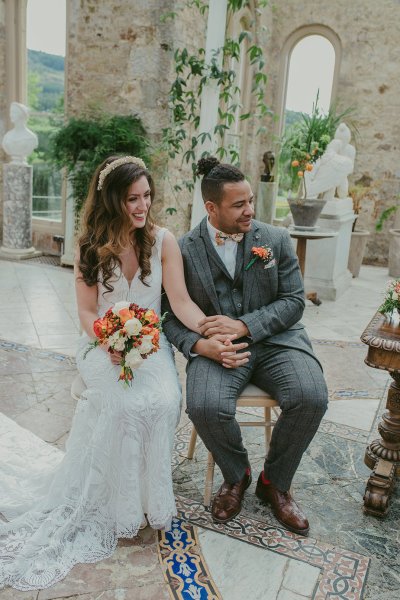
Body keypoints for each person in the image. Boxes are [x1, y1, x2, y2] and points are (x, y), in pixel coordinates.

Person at [0, 155, 248, 591]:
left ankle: (146, 503)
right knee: (120, 403)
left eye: (147, 196)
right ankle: (112, 504)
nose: (142, 206)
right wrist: (111, 340)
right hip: (101, 344)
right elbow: (85, 311)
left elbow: (181, 302)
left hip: (150, 347)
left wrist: (209, 331)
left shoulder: (163, 241)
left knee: (164, 400)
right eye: (133, 198)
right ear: (112, 200)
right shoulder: (88, 246)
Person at [162, 156, 329, 536]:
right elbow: (169, 315)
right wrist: (197, 346)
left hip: (277, 343)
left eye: (250, 200)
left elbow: (294, 301)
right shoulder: (182, 249)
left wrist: (244, 325)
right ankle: (237, 475)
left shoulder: (275, 239)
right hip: (216, 351)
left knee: (311, 396)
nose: (250, 210)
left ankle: (276, 483)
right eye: (239, 204)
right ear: (211, 207)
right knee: (204, 405)